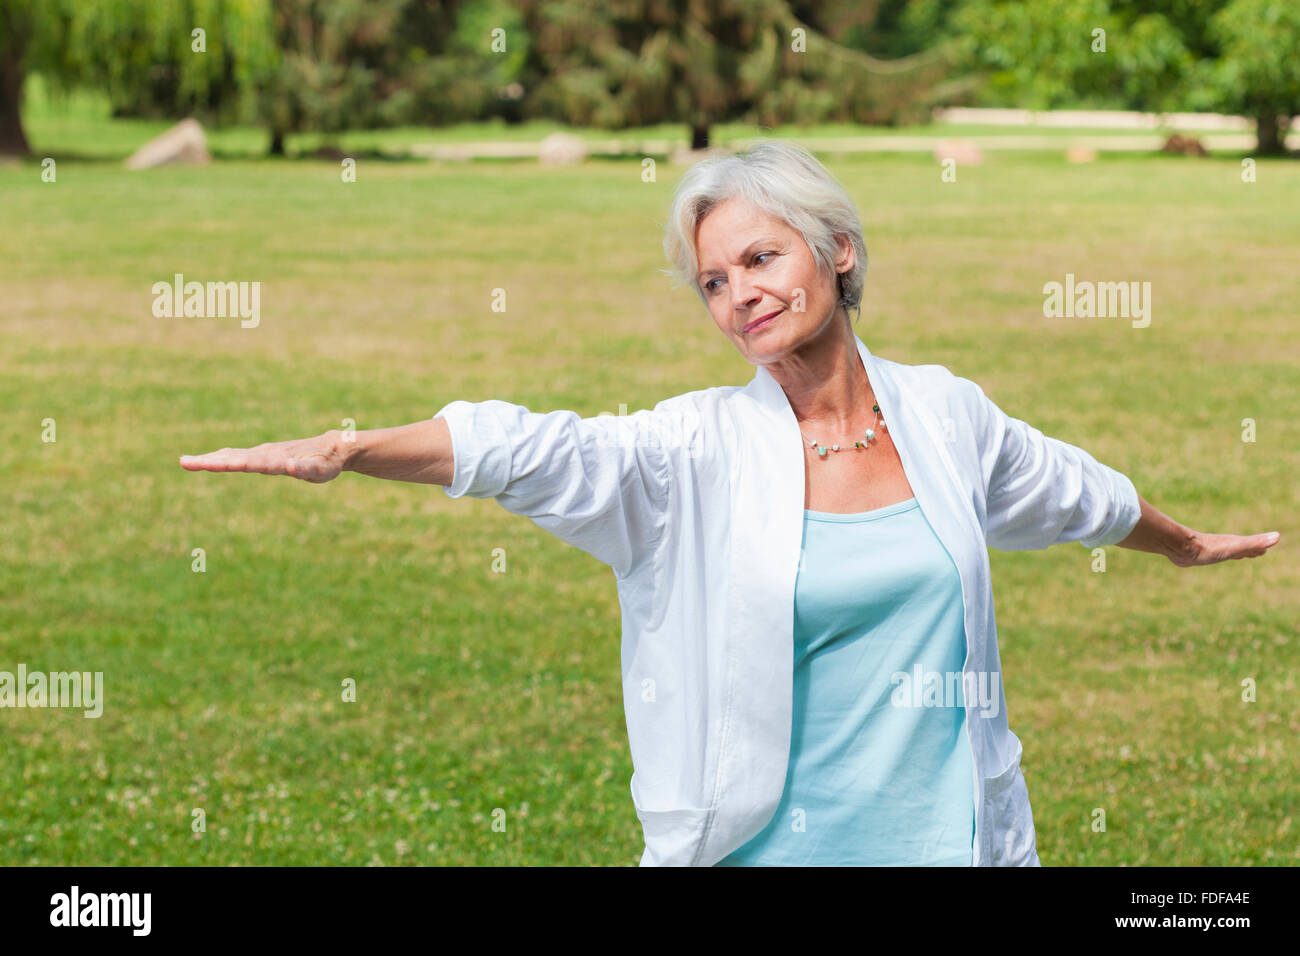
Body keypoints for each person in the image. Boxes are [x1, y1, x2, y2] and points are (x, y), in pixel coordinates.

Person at [179, 140, 1280, 866]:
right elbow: (533, 448)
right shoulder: (689, 453)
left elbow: (1066, 488)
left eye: (760, 256)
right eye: (713, 279)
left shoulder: (944, 415)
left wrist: (1177, 542)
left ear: (836, 252)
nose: (739, 292)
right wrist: (354, 444)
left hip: (960, 843)